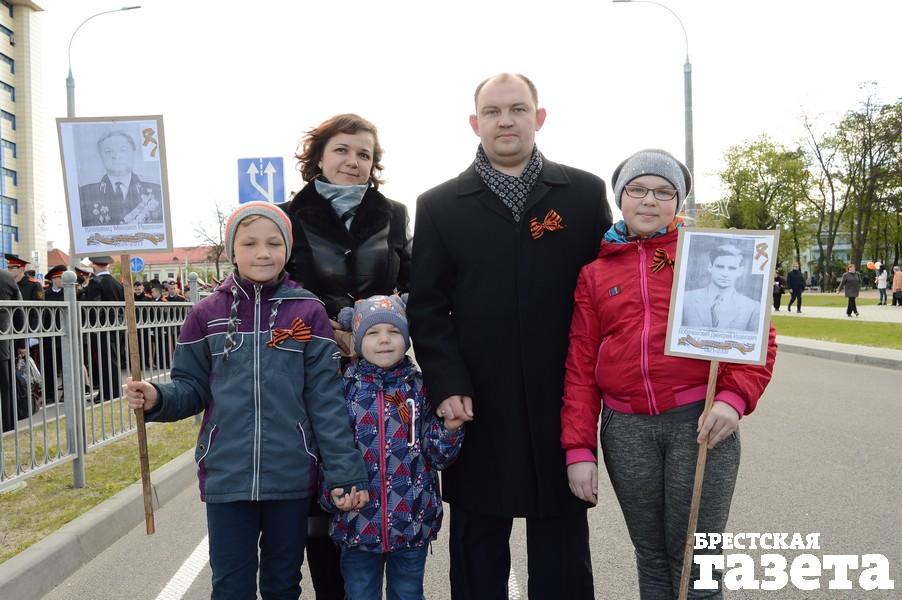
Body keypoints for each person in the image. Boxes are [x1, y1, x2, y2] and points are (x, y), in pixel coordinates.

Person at [407, 73, 612, 599]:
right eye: (493, 112)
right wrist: (447, 382)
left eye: (517, 109)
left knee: (562, 545)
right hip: (477, 400)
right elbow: (427, 306)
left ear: (538, 118)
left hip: (560, 396)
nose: (505, 121)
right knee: (477, 544)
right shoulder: (439, 205)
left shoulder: (584, 194)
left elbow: (611, 282)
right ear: (474, 123)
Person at [561, 149, 777, 598]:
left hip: (698, 423)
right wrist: (579, 447)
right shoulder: (595, 273)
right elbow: (580, 364)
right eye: (637, 189)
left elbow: (757, 338)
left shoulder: (705, 256)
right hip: (627, 430)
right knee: (653, 556)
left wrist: (732, 400)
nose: (649, 200)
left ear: (677, 202)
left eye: (663, 192)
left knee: (698, 561)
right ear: (620, 197)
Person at [125, 201, 368, 599]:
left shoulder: (308, 311)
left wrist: (345, 472)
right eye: (250, 243)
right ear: (231, 250)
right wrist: (157, 397)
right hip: (227, 476)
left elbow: (325, 401)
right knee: (230, 586)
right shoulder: (205, 314)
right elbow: (190, 388)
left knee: (282, 584)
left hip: (291, 476)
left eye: (274, 243)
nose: (263, 252)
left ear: (287, 249)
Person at [281, 112, 412, 599]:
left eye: (364, 154)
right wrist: (331, 327)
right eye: (341, 150)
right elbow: (283, 285)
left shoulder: (393, 213)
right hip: (310, 367)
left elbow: (410, 281)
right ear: (318, 157)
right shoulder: (287, 215)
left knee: (377, 492)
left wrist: (383, 324)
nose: (353, 161)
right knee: (322, 503)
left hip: (378, 375)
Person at [327, 295, 464, 600]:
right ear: (358, 341)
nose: (384, 340)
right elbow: (328, 452)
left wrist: (450, 429)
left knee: (408, 593)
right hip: (357, 525)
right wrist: (332, 493)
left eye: (394, 331)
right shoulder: (343, 391)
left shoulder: (420, 388)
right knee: (360, 594)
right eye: (373, 332)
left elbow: (437, 455)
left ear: (407, 337)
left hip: (412, 524)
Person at [78, 130, 163, 227]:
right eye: (108, 151)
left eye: (123, 150)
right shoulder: (85, 193)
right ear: (100, 156)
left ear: (133, 153)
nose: (116, 156)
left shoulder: (157, 190)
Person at [682, 244, 760, 331]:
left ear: (740, 271)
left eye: (732, 268)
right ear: (710, 267)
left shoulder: (752, 307)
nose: (725, 274)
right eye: (720, 267)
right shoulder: (686, 299)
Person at [84, 256, 125, 401]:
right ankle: (113, 391)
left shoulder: (96, 282)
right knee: (112, 359)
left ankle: (108, 394)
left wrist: (91, 324)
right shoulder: (116, 283)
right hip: (117, 325)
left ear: (94, 266)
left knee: (104, 361)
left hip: (102, 326)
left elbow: (95, 307)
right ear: (108, 266)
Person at [0, 268, 21, 432]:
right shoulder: (6, 277)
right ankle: (8, 427)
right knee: (5, 387)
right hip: (3, 342)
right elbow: (19, 310)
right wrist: (21, 343)